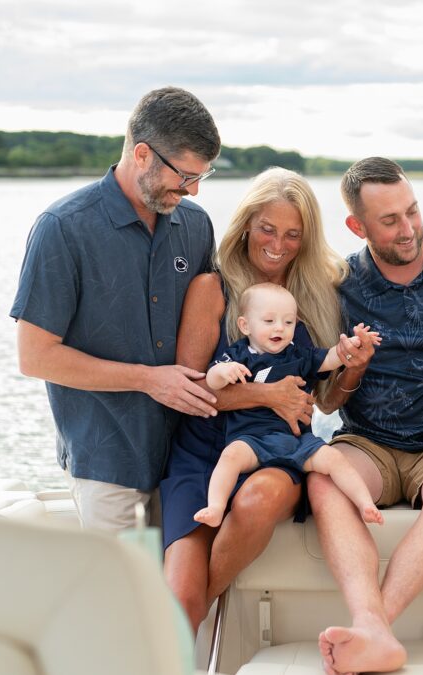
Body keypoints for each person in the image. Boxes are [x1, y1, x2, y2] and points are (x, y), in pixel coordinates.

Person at [160, 167, 373, 632]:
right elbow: (189, 390)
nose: (278, 244)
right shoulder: (211, 289)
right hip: (202, 452)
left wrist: (352, 365)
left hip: (276, 448)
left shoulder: (314, 298)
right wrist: (267, 394)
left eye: (292, 234)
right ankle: (184, 617)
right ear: (246, 227)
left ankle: (191, 614)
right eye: (267, 229)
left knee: (259, 499)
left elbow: (324, 402)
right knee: (178, 595)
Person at [11, 87, 221, 532]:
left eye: (203, 176)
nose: (194, 190)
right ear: (142, 154)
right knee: (125, 596)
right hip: (106, 462)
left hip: (187, 459)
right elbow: (36, 357)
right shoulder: (63, 228)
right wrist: (148, 380)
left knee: (183, 598)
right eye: (185, 176)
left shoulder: (197, 225)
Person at [308, 157, 423, 675]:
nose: (408, 229)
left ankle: (374, 630)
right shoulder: (338, 285)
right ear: (356, 226)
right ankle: (372, 624)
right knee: (323, 478)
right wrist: (352, 370)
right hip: (369, 442)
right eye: (389, 220)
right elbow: (327, 404)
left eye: (412, 211)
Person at [195, 283, 382, 527]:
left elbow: (329, 359)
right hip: (252, 440)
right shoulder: (239, 354)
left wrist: (352, 346)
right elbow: (211, 379)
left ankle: (365, 503)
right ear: (245, 325)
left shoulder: (298, 355)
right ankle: (216, 507)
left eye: (288, 322)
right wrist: (223, 371)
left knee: (333, 459)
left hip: (294, 441)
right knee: (230, 456)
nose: (279, 328)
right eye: (269, 321)